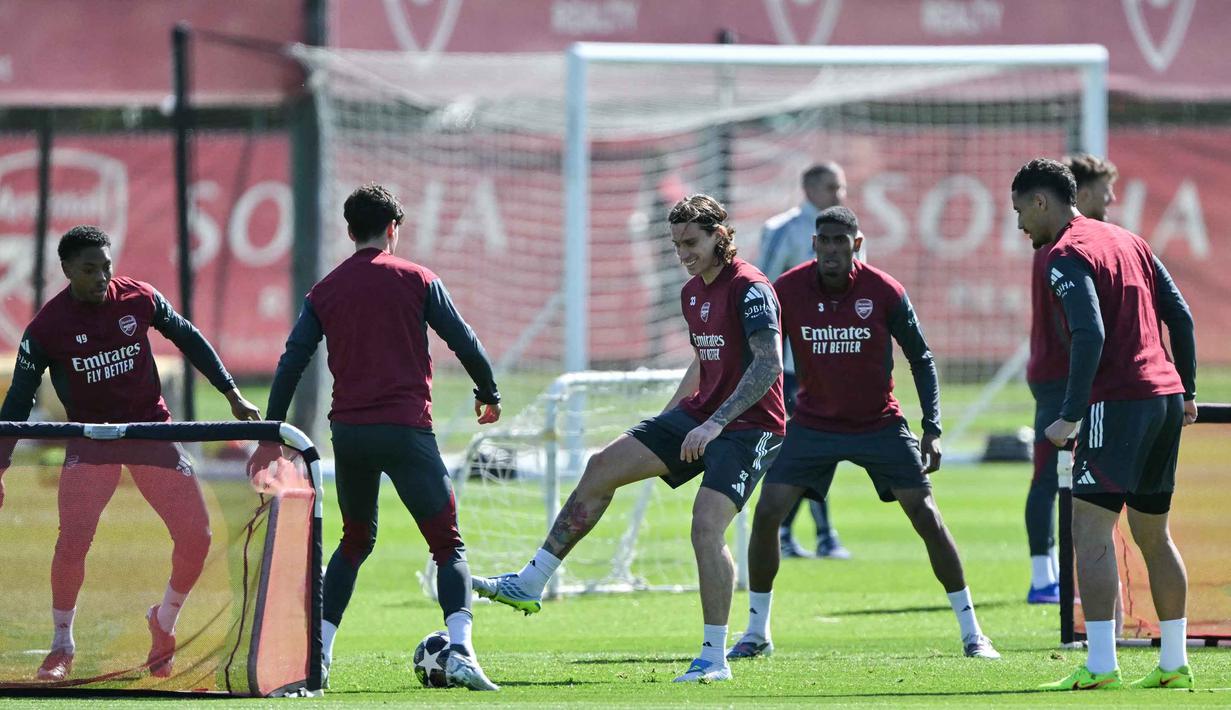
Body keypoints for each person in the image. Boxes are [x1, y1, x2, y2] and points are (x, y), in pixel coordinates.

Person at [474, 194, 785, 683]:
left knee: (706, 526)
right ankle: (530, 582)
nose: (683, 253)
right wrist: (662, 428)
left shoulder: (750, 288)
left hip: (752, 428)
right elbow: (706, 361)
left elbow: (767, 364)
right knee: (601, 466)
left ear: (719, 236)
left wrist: (713, 424)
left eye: (691, 243)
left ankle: (713, 659)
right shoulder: (691, 293)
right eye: (676, 244)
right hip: (703, 415)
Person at [728, 206, 1000, 661]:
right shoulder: (788, 290)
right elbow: (759, 357)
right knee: (768, 511)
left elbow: (922, 358)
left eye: (842, 241)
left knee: (927, 514)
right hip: (813, 423)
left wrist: (932, 428)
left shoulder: (885, 290)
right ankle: (757, 632)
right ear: (814, 245)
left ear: (857, 245)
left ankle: (974, 633)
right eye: (825, 240)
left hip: (880, 423)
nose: (833, 249)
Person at [262, 183, 503, 691]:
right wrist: (488, 391)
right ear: (393, 228)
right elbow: (464, 340)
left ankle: (319, 659)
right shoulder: (417, 279)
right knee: (447, 547)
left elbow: (292, 360)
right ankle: (460, 651)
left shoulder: (325, 291)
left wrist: (273, 429)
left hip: (349, 434)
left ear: (349, 232)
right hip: (406, 430)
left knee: (354, 541)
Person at [0, 225, 262, 681]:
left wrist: (232, 394)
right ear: (66, 271)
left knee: (196, 538)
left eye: (106, 266)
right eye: (89, 269)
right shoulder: (46, 328)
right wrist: (0, 466)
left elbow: (190, 338)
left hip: (149, 433)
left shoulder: (139, 298)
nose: (102, 277)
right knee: (73, 541)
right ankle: (61, 647)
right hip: (91, 442)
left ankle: (164, 622)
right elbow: (19, 400)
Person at [1010, 158, 1198, 691]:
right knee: (1153, 535)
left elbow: (1089, 335)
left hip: (1115, 403)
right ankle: (1174, 663)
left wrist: (1070, 414)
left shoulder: (1065, 254)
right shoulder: (1129, 240)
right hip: (1162, 397)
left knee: (1089, 532)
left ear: (1041, 201)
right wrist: (1188, 391)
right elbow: (1179, 314)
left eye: (1021, 211)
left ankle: (1100, 665)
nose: (1021, 224)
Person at [1024, 153, 1119, 604]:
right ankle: (1043, 575)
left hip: (1076, 376)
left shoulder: (1086, 244)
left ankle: (1081, 579)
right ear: (1080, 194)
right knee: (1048, 476)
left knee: (1089, 481)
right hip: (1060, 377)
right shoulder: (1057, 248)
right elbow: (1077, 327)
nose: (1111, 198)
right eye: (1104, 190)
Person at [758, 162, 852, 559]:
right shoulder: (784, 229)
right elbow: (763, 288)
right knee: (804, 445)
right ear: (809, 187)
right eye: (833, 186)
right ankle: (815, 533)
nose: (839, 194)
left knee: (820, 446)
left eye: (842, 187)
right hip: (794, 363)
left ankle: (796, 531)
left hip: (834, 358)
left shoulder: (849, 229)